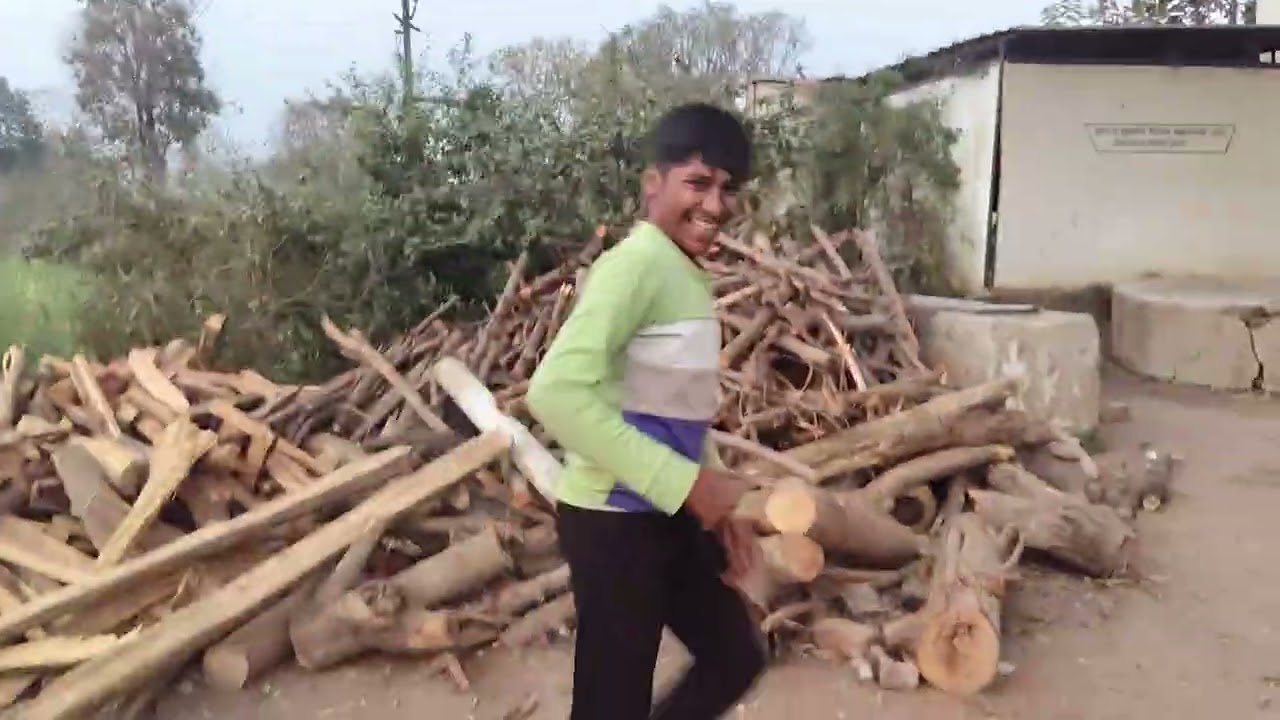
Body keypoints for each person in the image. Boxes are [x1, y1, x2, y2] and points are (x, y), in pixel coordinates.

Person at [526, 102, 767, 720]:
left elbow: (676, 405)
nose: (715, 205)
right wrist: (687, 483)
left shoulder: (683, 274)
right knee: (612, 703)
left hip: (668, 514)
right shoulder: (634, 266)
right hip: (613, 523)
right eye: (698, 182)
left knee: (734, 656)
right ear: (652, 183)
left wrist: (714, 504)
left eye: (727, 188)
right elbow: (554, 391)